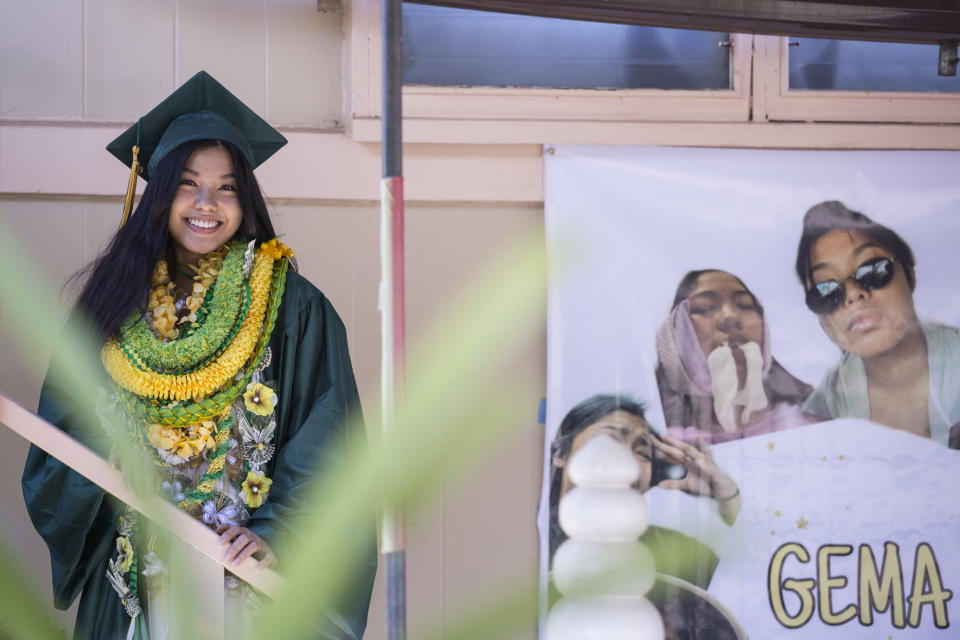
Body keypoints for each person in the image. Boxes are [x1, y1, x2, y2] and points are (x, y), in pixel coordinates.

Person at [21, 71, 376, 639]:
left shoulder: (290, 307)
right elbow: (61, 435)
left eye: (228, 186)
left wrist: (279, 534)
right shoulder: (111, 308)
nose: (207, 203)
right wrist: (108, 460)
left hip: (246, 584)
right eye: (187, 184)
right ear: (159, 193)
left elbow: (330, 441)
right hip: (137, 585)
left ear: (246, 199)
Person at [795, 200, 960, 446]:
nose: (852, 294)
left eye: (872, 270)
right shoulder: (827, 402)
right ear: (821, 319)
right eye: (825, 291)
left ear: (910, 275)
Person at [549, 394, 741, 590]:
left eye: (642, 454)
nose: (628, 462)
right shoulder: (527, 543)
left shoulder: (675, 554)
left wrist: (729, 499)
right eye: (609, 440)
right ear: (560, 453)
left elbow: (754, 588)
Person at [655, 270, 813, 442]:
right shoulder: (659, 444)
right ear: (674, 336)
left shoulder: (813, 425)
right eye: (704, 307)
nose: (730, 316)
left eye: (745, 305)